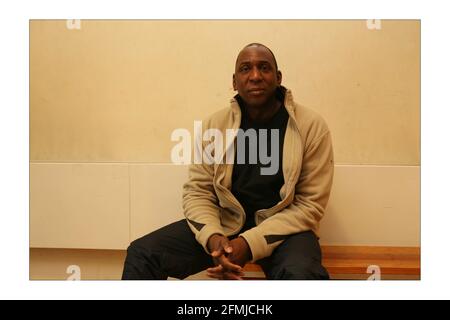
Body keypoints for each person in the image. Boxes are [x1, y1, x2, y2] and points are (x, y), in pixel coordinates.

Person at [122, 43, 334, 280]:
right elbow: (198, 192)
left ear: (278, 77)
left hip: (285, 232)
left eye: (264, 68)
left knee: (303, 275)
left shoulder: (311, 126)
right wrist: (213, 237)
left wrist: (248, 243)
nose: (255, 76)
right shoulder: (215, 125)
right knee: (142, 254)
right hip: (226, 226)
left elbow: (310, 205)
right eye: (246, 69)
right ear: (235, 81)